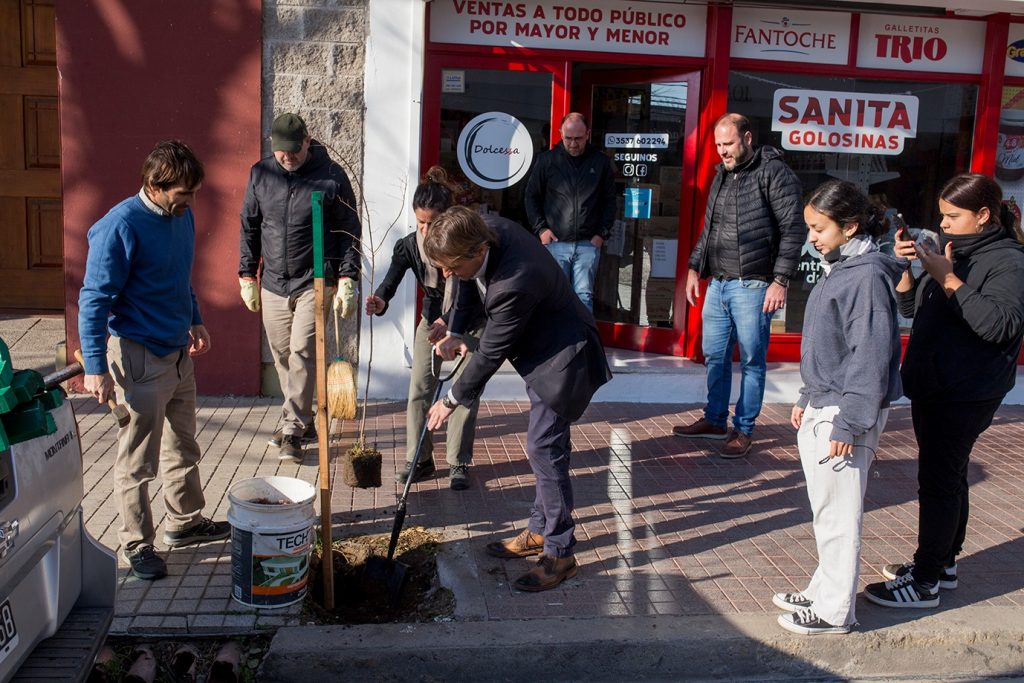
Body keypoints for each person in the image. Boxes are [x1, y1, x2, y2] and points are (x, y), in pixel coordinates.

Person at [424, 206, 612, 592]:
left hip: (563, 358)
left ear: (477, 251)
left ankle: (560, 552)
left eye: (451, 265)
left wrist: (450, 400)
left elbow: (490, 354)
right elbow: (463, 284)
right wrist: (456, 330)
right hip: (539, 352)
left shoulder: (515, 280)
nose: (446, 274)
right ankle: (539, 531)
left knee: (544, 448)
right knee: (544, 446)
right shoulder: (483, 229)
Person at [865, 174, 1024, 609]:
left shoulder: (1007, 260)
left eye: (954, 215)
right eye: (942, 214)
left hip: (965, 391)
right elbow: (913, 309)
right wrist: (908, 271)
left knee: (937, 482)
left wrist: (949, 279)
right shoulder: (957, 252)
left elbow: (1001, 325)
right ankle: (944, 562)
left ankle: (926, 581)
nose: (944, 223)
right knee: (950, 476)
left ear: (984, 215)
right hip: (937, 385)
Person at [78, 140, 230, 580]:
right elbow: (93, 299)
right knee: (138, 458)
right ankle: (135, 542)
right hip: (138, 356)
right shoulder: (119, 226)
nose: (192, 202)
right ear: (154, 185)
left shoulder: (180, 216)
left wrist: (196, 319)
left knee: (183, 445)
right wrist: (94, 366)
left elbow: (180, 276)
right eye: (183, 194)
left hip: (178, 353)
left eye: (194, 192)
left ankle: (184, 522)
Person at [774, 181, 903, 635]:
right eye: (809, 227)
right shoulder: (842, 267)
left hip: (845, 411)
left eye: (819, 228)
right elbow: (831, 346)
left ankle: (833, 612)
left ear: (849, 227)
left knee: (837, 514)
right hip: (827, 403)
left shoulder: (864, 277)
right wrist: (808, 396)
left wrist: (848, 423)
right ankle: (824, 590)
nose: (812, 236)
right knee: (826, 508)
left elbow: (868, 355)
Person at [673, 113, 804, 458]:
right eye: (718, 145)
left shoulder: (774, 173)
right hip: (718, 284)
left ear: (747, 138)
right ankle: (715, 420)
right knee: (715, 356)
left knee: (751, 361)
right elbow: (709, 231)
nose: (722, 152)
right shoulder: (721, 176)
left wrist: (780, 281)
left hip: (754, 285)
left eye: (728, 144)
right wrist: (692, 269)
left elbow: (793, 229)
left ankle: (743, 428)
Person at [239, 112, 362, 463]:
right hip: (274, 282)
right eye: (281, 152)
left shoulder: (331, 177)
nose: (287, 157)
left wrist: (347, 278)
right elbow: (249, 226)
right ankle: (303, 417)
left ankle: (291, 429)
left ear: (307, 141)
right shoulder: (260, 174)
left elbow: (347, 231)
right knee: (281, 355)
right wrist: (247, 274)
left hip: (315, 279)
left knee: (303, 352)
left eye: (294, 150)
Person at [365, 167, 485, 490]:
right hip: (430, 323)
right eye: (421, 222)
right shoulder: (408, 246)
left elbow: (472, 292)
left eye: (433, 223)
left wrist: (452, 324)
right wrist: (380, 299)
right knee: (419, 389)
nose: (426, 229)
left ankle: (458, 463)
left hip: (469, 324)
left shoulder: (466, 244)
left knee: (464, 392)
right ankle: (419, 460)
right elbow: (392, 277)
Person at [524, 112, 616, 312]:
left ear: (588, 135)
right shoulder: (547, 161)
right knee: (554, 297)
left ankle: (583, 343)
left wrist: (602, 234)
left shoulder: (600, 162)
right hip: (556, 244)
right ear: (560, 134)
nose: (573, 144)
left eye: (578, 139)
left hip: (588, 244)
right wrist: (541, 230)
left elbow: (610, 200)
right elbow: (531, 197)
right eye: (568, 138)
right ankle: (557, 343)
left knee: (584, 297)